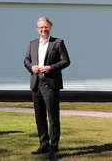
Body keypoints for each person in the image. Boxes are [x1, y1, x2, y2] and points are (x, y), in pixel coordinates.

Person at [24, 16, 70, 159]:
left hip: (50, 84)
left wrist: (50, 68)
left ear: (50, 27)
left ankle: (53, 147)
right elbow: (26, 61)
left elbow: (66, 61)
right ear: (37, 29)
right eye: (41, 27)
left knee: (53, 118)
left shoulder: (58, 42)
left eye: (46, 27)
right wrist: (32, 67)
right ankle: (43, 145)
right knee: (39, 117)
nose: (43, 29)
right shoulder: (32, 44)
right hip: (36, 84)